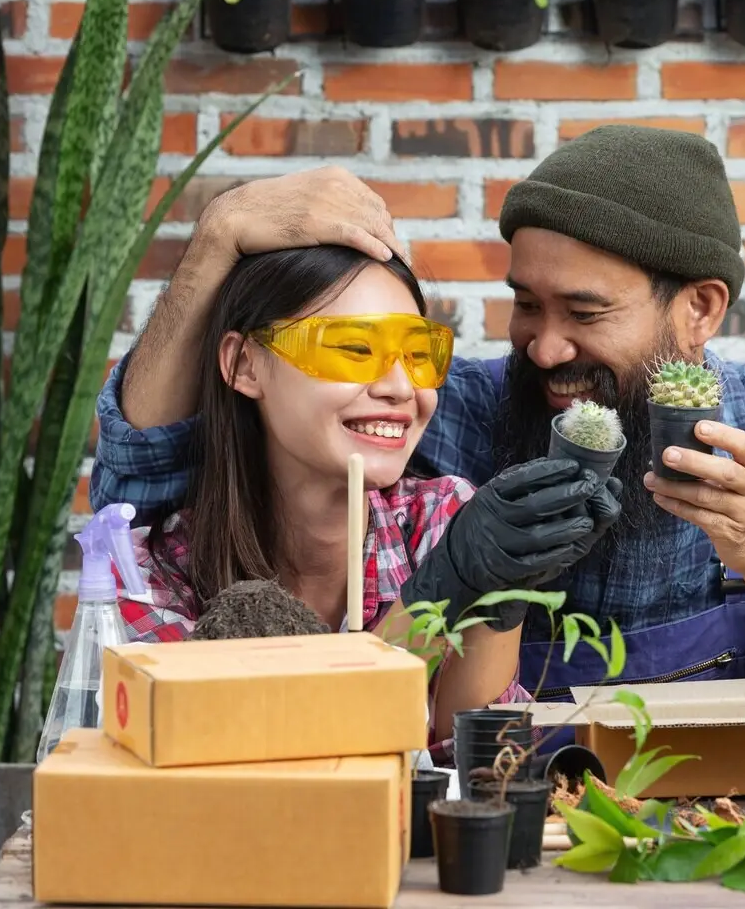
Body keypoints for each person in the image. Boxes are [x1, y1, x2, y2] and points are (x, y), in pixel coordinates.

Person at [91, 125, 745, 777]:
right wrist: (216, 242)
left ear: (699, 310)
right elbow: (147, 475)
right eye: (526, 304)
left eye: (584, 313)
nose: (545, 348)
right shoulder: (456, 413)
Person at [115, 244, 620, 760]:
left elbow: (477, 769)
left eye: (419, 355)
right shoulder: (145, 574)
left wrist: (501, 594)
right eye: (355, 351)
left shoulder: (444, 518)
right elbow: (267, 764)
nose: (401, 387)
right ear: (244, 365)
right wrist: (434, 598)